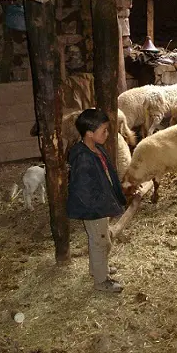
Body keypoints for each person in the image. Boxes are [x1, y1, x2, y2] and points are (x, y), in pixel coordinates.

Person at [67, 108, 126, 293]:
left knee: (101, 240)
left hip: (101, 204)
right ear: (90, 133)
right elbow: (83, 190)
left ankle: (97, 269)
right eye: (104, 130)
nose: (107, 134)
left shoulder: (97, 149)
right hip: (94, 209)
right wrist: (98, 207)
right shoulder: (83, 159)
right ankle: (101, 282)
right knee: (101, 241)